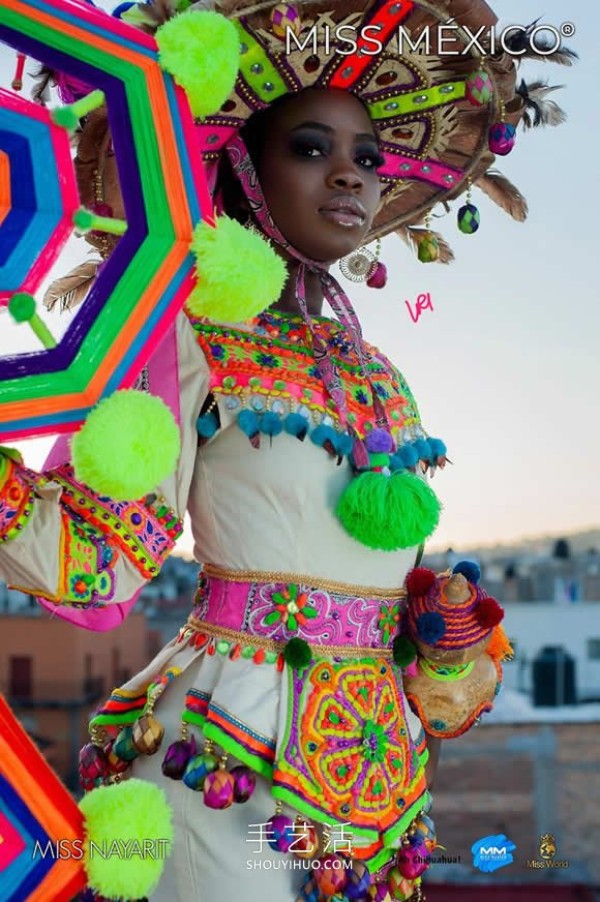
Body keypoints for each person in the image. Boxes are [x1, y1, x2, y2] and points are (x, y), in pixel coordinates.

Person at [0, 0, 569, 899]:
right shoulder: (187, 336)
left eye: (368, 158)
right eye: (312, 148)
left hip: (378, 779)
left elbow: (388, 575)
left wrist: (443, 633)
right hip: (222, 762)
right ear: (245, 168)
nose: (349, 176)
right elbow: (96, 557)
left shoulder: (377, 370)